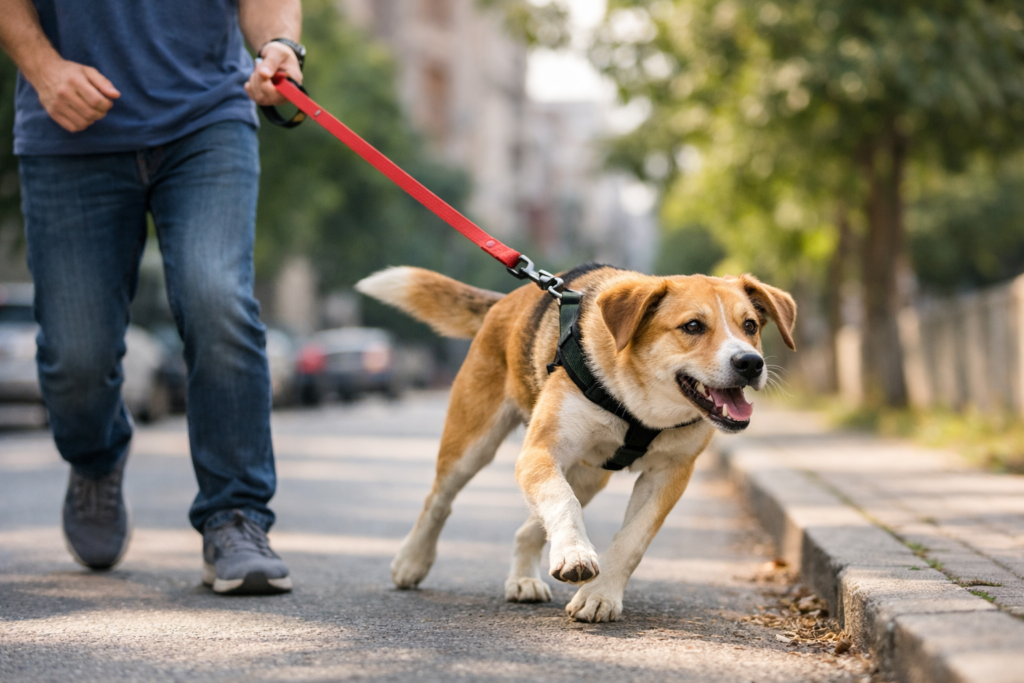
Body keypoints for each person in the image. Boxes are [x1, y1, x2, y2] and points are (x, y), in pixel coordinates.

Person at [0, 0, 304, 595]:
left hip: (207, 120)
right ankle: (95, 457)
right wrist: (43, 67)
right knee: (77, 358)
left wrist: (280, 47)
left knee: (217, 299)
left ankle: (235, 515)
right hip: (68, 129)